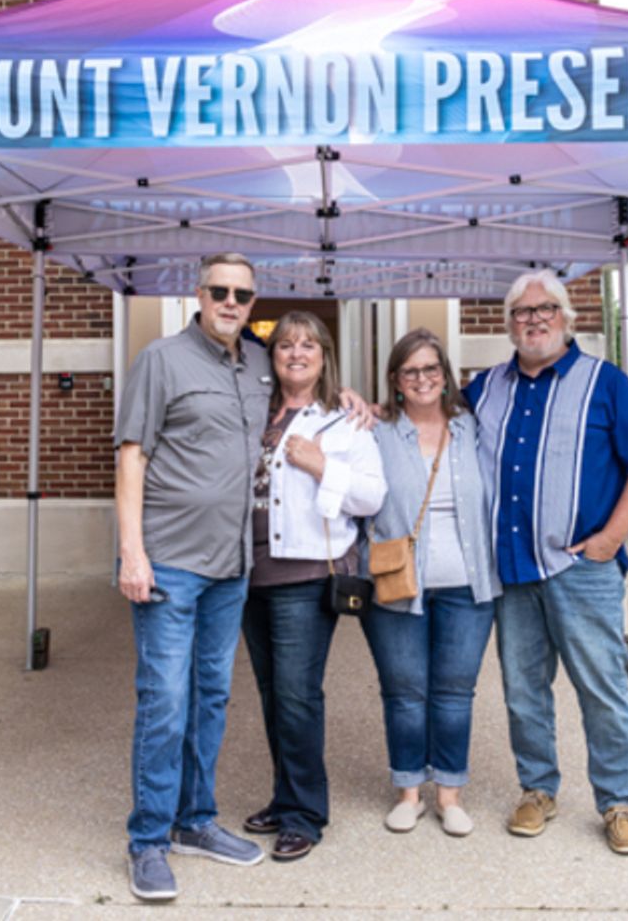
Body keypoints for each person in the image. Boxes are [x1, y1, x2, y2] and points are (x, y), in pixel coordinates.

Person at [462, 270, 628, 856]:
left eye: (545, 308)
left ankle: (618, 803)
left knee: (601, 688)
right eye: (522, 312)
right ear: (509, 324)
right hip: (512, 570)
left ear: (567, 317)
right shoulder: (485, 388)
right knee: (524, 689)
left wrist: (608, 539)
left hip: (582, 568)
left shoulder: (605, 382)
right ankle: (538, 789)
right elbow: (426, 420)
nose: (534, 319)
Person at [114, 253, 271, 901]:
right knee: (165, 701)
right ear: (198, 294)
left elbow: (302, 395)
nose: (231, 302)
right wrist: (132, 552)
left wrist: (354, 402)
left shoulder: (257, 364)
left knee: (209, 699)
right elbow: (132, 455)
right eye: (220, 291)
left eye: (243, 294)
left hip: (231, 565)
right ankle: (148, 840)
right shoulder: (161, 359)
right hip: (170, 563)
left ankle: (195, 821)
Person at [239, 311, 386, 862]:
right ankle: (285, 798)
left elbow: (372, 497)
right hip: (247, 572)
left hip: (304, 575)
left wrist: (323, 465)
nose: (295, 353)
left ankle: (305, 813)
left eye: (308, 345)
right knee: (273, 693)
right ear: (271, 356)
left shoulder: (344, 422)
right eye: (285, 346)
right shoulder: (252, 410)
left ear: (324, 355)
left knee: (298, 697)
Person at [361, 328, 500, 838]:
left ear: (445, 376)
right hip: (399, 583)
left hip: (469, 585)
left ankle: (449, 794)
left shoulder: (474, 428)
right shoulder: (374, 432)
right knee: (404, 691)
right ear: (395, 381)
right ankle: (408, 792)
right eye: (410, 371)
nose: (422, 378)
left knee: (454, 691)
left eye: (431, 369)